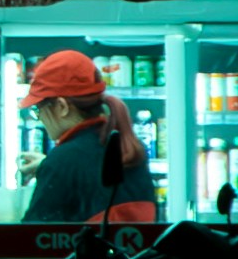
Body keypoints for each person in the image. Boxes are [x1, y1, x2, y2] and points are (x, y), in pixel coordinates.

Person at [16, 48, 161, 228]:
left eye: (38, 109)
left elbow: (33, 235)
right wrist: (49, 165)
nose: (41, 119)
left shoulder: (63, 160)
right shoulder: (126, 147)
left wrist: (53, 167)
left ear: (62, 107)